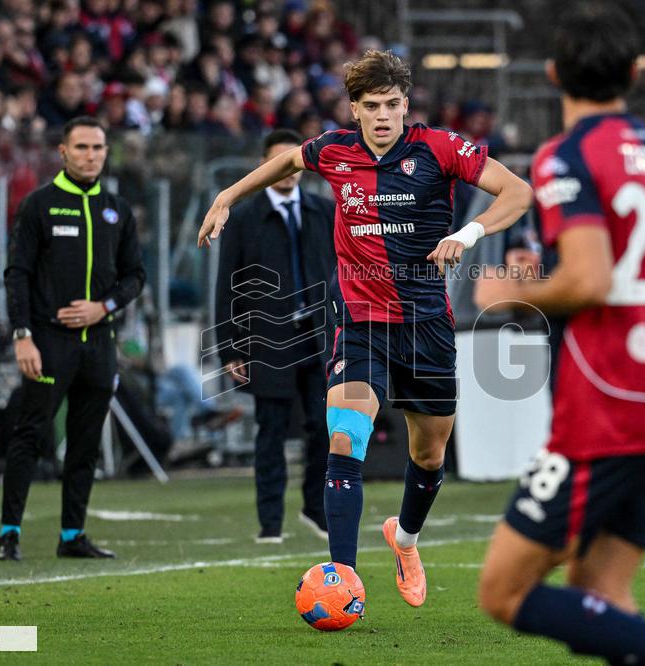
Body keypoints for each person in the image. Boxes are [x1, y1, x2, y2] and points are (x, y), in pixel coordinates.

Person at [472, 5, 645, 665]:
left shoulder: (565, 156)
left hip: (607, 406)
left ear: (552, 74)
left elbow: (591, 279)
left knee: (503, 591)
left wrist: (509, 290)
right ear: (632, 74)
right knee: (602, 596)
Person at [199, 49, 532, 606]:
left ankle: (406, 539)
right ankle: (342, 579)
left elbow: (518, 192)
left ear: (406, 104)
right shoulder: (334, 150)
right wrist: (227, 196)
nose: (383, 116)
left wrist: (467, 234)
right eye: (372, 105)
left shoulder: (440, 147)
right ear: (354, 108)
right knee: (344, 436)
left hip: (426, 324)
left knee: (430, 453)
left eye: (392, 104)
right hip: (360, 321)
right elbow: (285, 162)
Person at [0, 116, 145, 562]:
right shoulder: (39, 205)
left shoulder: (117, 209)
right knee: (30, 433)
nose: (90, 156)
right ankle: (9, 533)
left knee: (85, 442)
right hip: (48, 341)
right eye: (81, 147)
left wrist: (103, 307)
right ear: (62, 152)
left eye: (98, 148)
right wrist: (23, 336)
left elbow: (136, 276)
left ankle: (72, 535)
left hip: (99, 343)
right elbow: (16, 274)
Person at [214, 128, 335, 544]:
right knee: (271, 431)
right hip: (267, 340)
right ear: (263, 166)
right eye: (278, 161)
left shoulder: (325, 211)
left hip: (319, 338)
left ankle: (315, 509)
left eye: (293, 160)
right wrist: (229, 347)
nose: (288, 169)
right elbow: (227, 284)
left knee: (325, 426)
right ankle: (270, 522)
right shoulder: (244, 217)